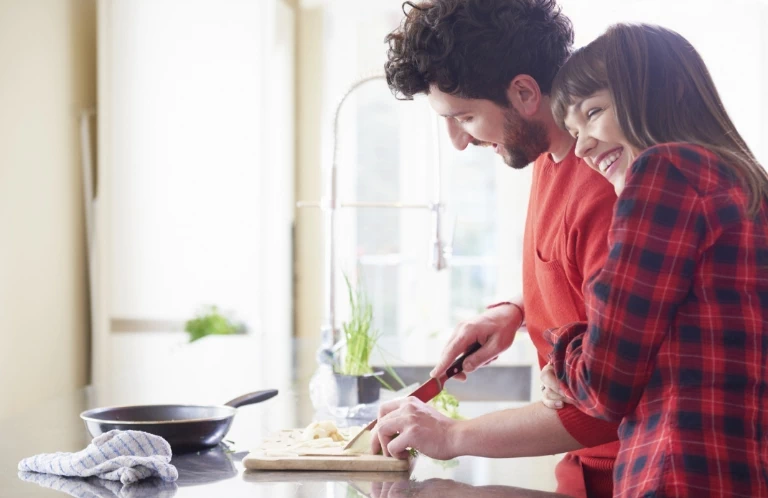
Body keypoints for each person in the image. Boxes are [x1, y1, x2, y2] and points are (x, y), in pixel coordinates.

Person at [375, 1, 620, 496]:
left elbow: (603, 407)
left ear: (525, 92)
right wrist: (517, 310)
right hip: (583, 472)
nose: (459, 142)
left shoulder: (604, 185)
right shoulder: (548, 157)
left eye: (464, 117)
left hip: (626, 478)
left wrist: (450, 434)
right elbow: (587, 283)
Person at [539, 23, 768, 496]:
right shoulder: (750, 191)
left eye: (594, 112)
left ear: (667, 91)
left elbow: (605, 386)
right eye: (573, 129)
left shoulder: (665, 171)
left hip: (677, 476)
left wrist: (561, 353)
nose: (581, 147)